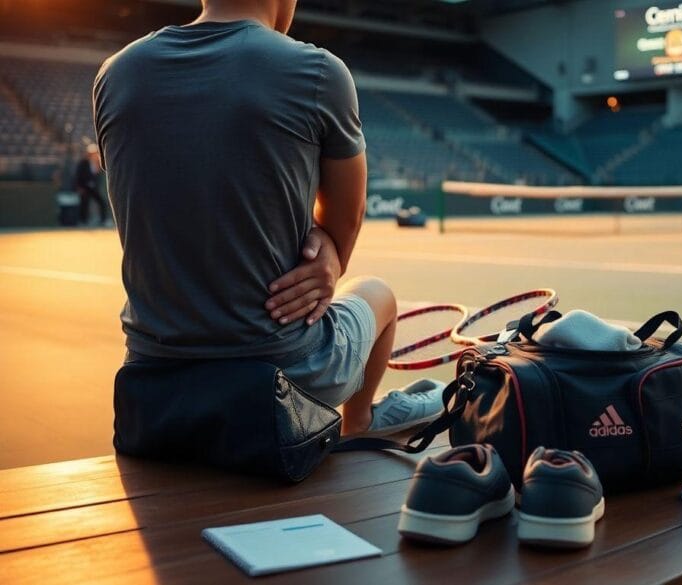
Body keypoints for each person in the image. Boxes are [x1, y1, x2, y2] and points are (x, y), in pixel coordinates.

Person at [93, 0, 443, 437]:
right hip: (280, 373)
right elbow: (347, 215)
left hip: (152, 375)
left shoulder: (115, 72)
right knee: (379, 294)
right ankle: (361, 420)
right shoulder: (318, 71)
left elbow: (159, 193)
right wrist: (332, 256)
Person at [75, 144, 108, 226]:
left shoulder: (97, 163)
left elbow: (96, 176)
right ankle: (82, 221)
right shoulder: (83, 163)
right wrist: (80, 187)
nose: (95, 154)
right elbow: (78, 175)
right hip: (84, 187)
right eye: (93, 152)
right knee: (84, 204)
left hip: (93, 188)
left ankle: (103, 220)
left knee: (102, 202)